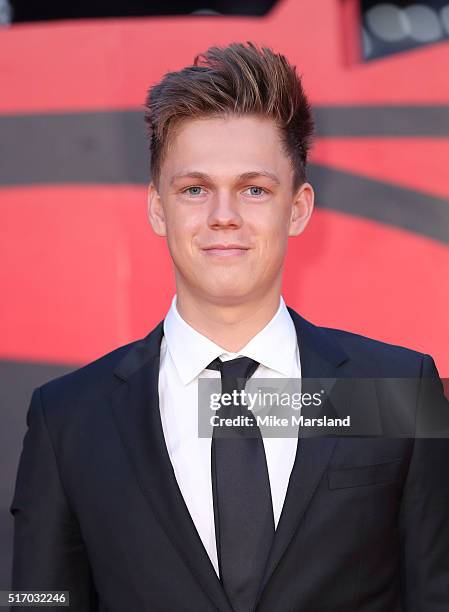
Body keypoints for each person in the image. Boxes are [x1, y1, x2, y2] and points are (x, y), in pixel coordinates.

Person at [10, 42, 449, 612]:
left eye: (254, 189)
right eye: (194, 188)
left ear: (297, 207)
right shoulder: (68, 417)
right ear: (157, 207)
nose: (224, 215)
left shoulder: (399, 389)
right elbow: (34, 601)